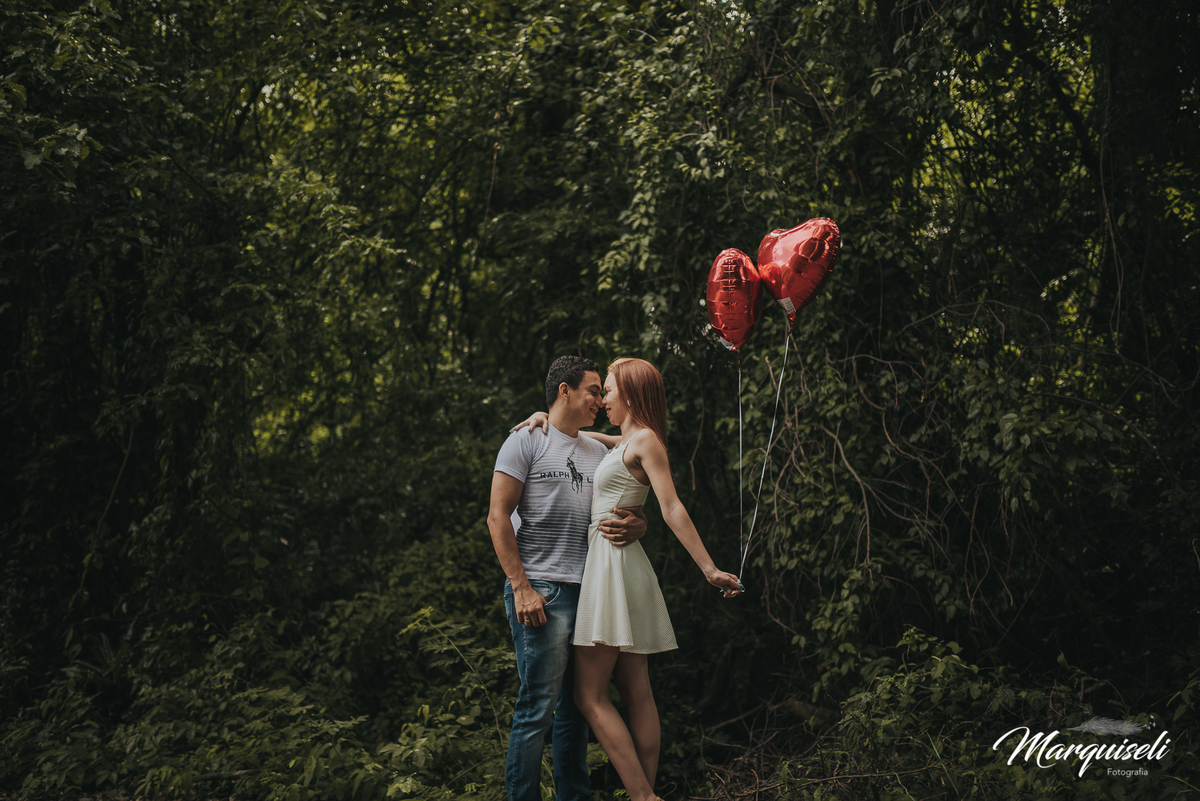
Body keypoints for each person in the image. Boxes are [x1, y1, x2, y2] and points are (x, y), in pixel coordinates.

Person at [515, 358, 742, 801]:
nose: (603, 399)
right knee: (636, 690)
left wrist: (709, 569)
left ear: (632, 394)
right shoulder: (628, 440)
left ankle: (643, 795)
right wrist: (545, 416)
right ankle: (646, 793)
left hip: (612, 566)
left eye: (609, 390)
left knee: (589, 696)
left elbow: (671, 507)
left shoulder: (646, 441)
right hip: (616, 563)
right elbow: (589, 437)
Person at [487, 355, 649, 801]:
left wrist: (640, 524)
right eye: (593, 391)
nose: (600, 399)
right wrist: (521, 587)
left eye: (601, 391)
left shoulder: (599, 452)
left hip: (591, 591)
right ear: (565, 391)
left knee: (576, 711)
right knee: (537, 709)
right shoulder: (525, 441)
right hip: (541, 590)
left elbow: (629, 487)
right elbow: (497, 517)